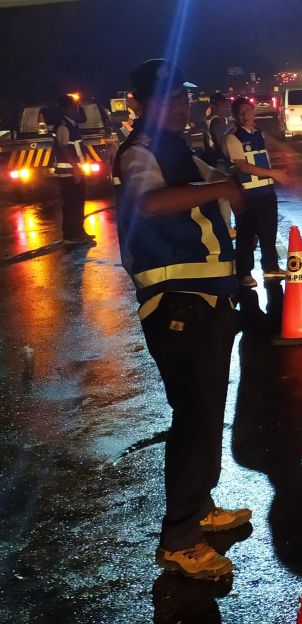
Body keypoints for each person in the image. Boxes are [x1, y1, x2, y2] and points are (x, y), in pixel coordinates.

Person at [114, 59, 251, 580]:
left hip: (209, 301)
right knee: (193, 418)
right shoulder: (140, 152)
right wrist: (218, 189)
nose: (180, 105)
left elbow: (221, 187)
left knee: (207, 411)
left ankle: (200, 508)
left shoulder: (183, 151)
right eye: (168, 98)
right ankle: (180, 538)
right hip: (177, 305)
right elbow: (149, 202)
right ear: (143, 104)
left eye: (184, 97)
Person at [224, 97, 287, 288]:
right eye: (240, 112)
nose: (244, 115)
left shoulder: (259, 134)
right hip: (248, 194)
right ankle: (244, 273)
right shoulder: (233, 137)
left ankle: (271, 267)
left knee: (269, 231)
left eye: (247, 111)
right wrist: (273, 173)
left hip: (266, 191)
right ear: (234, 115)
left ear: (253, 110)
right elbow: (242, 166)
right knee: (247, 235)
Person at [53, 94, 94, 245]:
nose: (76, 109)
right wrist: (75, 169)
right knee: (72, 204)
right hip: (69, 173)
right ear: (65, 109)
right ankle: (70, 236)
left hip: (76, 171)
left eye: (76, 106)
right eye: (72, 106)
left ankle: (79, 232)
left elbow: (77, 146)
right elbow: (64, 148)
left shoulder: (73, 124)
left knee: (79, 203)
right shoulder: (63, 126)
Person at [204, 92, 234, 167]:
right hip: (221, 162)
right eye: (223, 104)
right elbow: (224, 143)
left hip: (213, 160)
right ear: (214, 106)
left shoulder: (208, 119)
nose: (226, 107)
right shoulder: (218, 122)